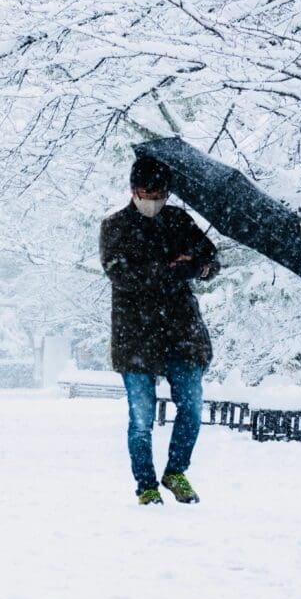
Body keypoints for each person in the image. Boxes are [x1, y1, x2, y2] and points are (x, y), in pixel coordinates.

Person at [99, 156, 220, 505]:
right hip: (135, 334)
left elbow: (211, 259)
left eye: (160, 194)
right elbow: (121, 274)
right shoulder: (115, 227)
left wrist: (197, 267)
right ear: (133, 191)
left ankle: (176, 471)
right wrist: (169, 271)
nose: (153, 200)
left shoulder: (180, 221)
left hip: (182, 332)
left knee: (193, 409)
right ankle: (146, 484)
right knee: (141, 418)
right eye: (146, 193)